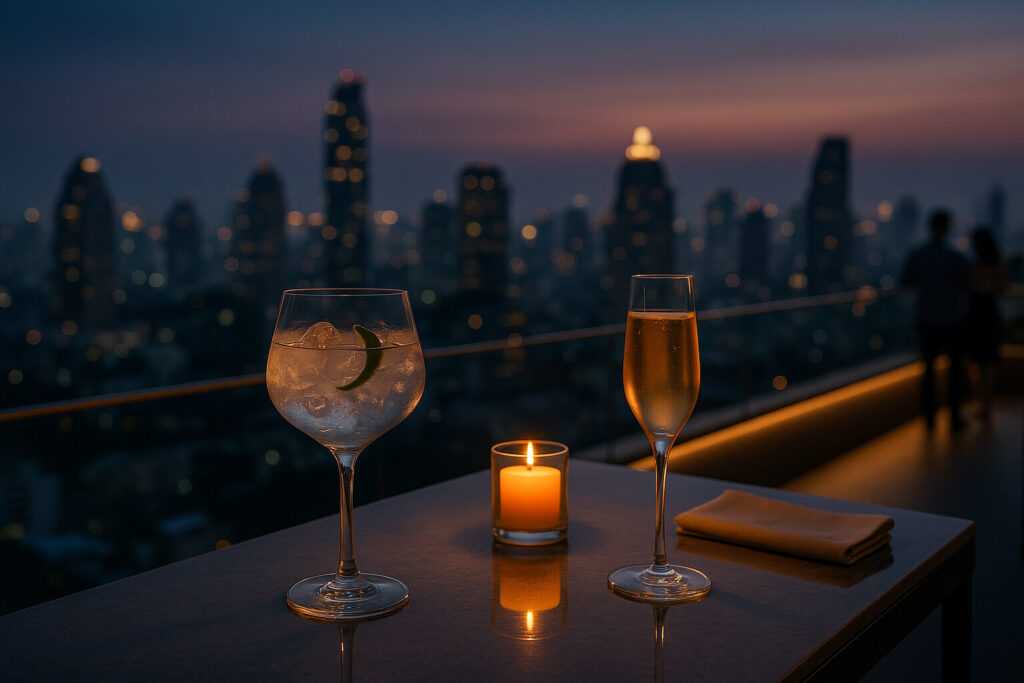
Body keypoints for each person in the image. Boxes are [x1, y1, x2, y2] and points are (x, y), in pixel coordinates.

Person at [902, 210, 970, 431]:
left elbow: (907, 282)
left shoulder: (918, 255)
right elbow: (965, 285)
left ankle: (929, 418)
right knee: (954, 370)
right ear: (947, 227)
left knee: (929, 371)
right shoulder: (955, 258)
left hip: (926, 320)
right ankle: (954, 418)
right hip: (952, 320)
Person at [966, 227, 1007, 420]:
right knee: (990, 360)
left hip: (976, 312)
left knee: (976, 360)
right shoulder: (998, 263)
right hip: (991, 311)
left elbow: (969, 285)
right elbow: (1003, 286)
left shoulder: (974, 264)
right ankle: (988, 404)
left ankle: (981, 402)